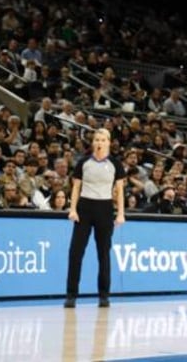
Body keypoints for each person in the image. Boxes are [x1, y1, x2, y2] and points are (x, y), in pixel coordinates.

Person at [64, 128, 126, 309]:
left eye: (103, 139)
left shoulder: (115, 164)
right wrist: (72, 209)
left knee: (103, 254)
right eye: (97, 139)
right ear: (93, 142)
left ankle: (104, 295)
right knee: (75, 252)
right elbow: (76, 187)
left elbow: (120, 191)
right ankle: (71, 294)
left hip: (105, 208)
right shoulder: (83, 162)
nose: (99, 142)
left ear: (108, 142)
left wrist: (121, 213)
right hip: (84, 207)